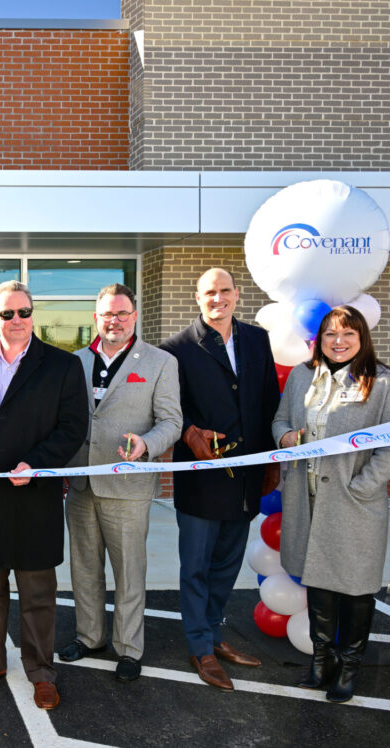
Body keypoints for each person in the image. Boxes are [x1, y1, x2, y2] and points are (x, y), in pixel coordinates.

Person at [0, 280, 87, 710]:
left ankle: (41, 672)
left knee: (37, 595)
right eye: (6, 314)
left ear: (33, 314)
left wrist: (37, 463)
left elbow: (72, 428)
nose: (16, 321)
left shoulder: (63, 366)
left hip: (35, 499)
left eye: (23, 312)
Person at [159, 268, 280, 691]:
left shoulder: (256, 339)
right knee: (196, 566)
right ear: (198, 297)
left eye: (225, 291)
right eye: (210, 292)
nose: (218, 298)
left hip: (247, 475)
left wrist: (272, 461)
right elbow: (170, 410)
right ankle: (200, 647)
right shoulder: (174, 349)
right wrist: (191, 432)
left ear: (237, 294)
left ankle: (213, 634)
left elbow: (269, 401)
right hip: (202, 476)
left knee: (227, 563)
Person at [60, 283, 182, 682]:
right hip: (81, 485)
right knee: (84, 568)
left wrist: (148, 443)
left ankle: (129, 648)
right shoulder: (74, 362)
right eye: (107, 314)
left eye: (122, 313)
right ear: (96, 318)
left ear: (134, 316)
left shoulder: (160, 362)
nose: (114, 320)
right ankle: (89, 636)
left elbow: (172, 422)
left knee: (129, 571)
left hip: (128, 486)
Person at [272, 305, 390, 703]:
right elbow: (279, 421)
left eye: (347, 335)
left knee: (355, 588)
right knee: (318, 581)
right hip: (306, 498)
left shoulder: (381, 381)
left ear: (362, 338)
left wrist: (363, 486)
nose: (338, 342)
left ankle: (349, 667)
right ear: (318, 340)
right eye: (330, 335)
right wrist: (287, 437)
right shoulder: (303, 377)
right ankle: (321, 663)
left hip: (355, 502)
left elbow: (387, 449)